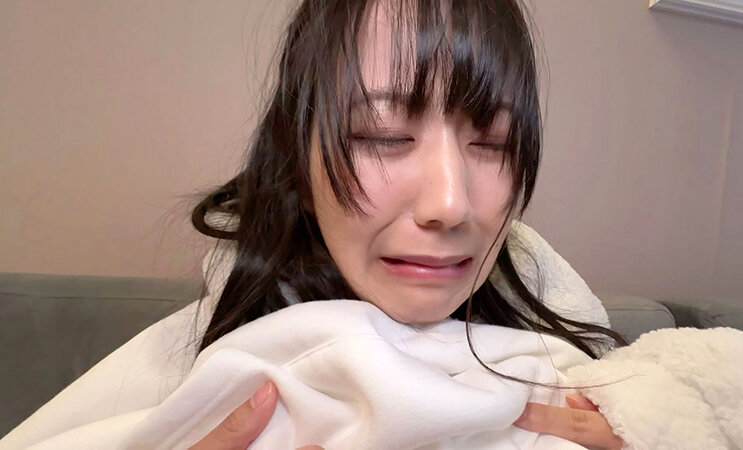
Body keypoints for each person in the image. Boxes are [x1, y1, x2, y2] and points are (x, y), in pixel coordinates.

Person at [2, 0, 625, 448]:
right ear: (300, 167)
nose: (450, 203)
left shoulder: (595, 387)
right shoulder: (199, 383)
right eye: (382, 135)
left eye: (493, 141)